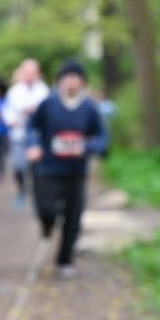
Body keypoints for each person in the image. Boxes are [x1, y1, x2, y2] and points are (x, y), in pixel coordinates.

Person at [25, 59, 109, 280]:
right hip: (48, 168)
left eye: (76, 77)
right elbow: (32, 127)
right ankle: (47, 224)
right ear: (59, 81)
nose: (71, 82)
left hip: (76, 171)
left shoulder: (90, 107)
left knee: (74, 216)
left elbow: (101, 137)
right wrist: (33, 145)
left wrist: (88, 148)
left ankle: (65, 259)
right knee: (46, 208)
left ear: (82, 82)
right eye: (67, 77)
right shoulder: (48, 104)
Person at [3, 59, 49, 210]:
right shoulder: (14, 91)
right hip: (19, 134)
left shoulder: (44, 91)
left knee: (36, 167)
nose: (29, 76)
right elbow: (8, 112)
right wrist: (15, 118)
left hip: (37, 136)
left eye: (32, 73)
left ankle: (37, 195)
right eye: (26, 73)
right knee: (18, 166)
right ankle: (22, 190)